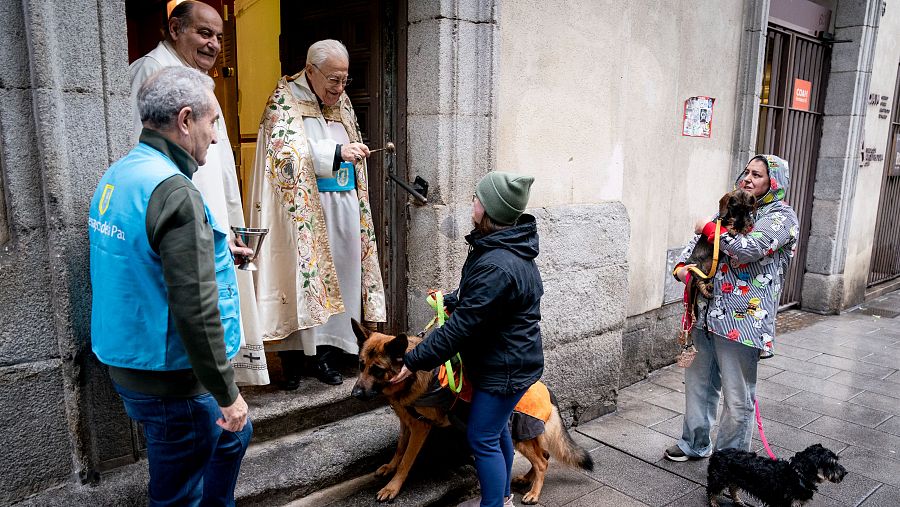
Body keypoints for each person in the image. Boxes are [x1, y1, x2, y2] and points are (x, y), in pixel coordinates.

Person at [89, 66, 252, 505]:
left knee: (235, 437)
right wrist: (227, 392)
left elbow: (142, 256)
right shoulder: (174, 190)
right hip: (172, 380)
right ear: (185, 120)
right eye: (212, 121)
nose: (216, 136)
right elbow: (194, 308)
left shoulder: (119, 174)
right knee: (178, 494)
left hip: (129, 361)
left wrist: (216, 251)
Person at [129, 0, 269, 385]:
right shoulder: (150, 72)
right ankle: (210, 382)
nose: (213, 45)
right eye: (203, 33)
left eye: (219, 37)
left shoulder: (197, 79)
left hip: (205, 212)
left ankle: (220, 376)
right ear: (175, 29)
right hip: (177, 214)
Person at [391, 172, 543, 507]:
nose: (472, 201)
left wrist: (413, 361)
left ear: (490, 210)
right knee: (497, 430)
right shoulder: (499, 247)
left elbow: (462, 328)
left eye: (477, 198)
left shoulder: (497, 264)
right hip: (507, 360)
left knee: (482, 437)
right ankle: (502, 498)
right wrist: (454, 299)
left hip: (504, 367)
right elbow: (486, 303)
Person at [248, 39, 386, 388]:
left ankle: (325, 355)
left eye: (345, 81)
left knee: (339, 282)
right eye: (333, 80)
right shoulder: (284, 102)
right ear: (310, 70)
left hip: (342, 209)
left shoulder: (343, 101)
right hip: (299, 215)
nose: (339, 89)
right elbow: (283, 158)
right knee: (299, 282)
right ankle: (293, 361)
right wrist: (336, 152)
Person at [664, 154, 798, 462]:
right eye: (747, 172)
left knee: (738, 400)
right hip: (706, 313)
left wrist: (710, 229)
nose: (748, 178)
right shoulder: (730, 207)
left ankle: (730, 464)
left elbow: (749, 249)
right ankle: (694, 443)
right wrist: (683, 267)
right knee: (698, 386)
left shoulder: (781, 217)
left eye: (758, 175)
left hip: (744, 322)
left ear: (773, 183)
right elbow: (696, 244)